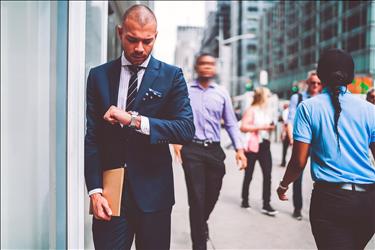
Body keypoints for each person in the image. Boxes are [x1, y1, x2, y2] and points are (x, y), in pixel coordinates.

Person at [84, 5, 195, 249]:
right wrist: (94, 190)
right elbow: (92, 137)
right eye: (132, 39)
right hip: (110, 195)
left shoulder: (172, 76)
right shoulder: (98, 76)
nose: (139, 48)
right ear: (119, 32)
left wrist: (133, 120)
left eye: (147, 41)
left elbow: (186, 129)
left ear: (156, 36)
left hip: (154, 195)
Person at [277, 48, 375, 249]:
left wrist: (283, 185)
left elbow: (298, 162)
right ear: (351, 77)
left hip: (330, 202)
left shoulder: (308, 108)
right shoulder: (370, 110)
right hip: (368, 202)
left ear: (321, 76)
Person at [173, 53, 247, 250]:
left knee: (212, 194)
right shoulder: (185, 90)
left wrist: (239, 149)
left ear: (214, 68)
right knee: (196, 199)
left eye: (210, 64)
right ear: (196, 67)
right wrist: (176, 141)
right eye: (203, 63)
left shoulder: (222, 93)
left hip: (214, 150)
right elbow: (175, 117)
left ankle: (200, 222)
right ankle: (199, 244)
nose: (206, 67)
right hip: (192, 149)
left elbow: (231, 123)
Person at [286, 71, 322, 220]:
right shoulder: (298, 97)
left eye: (319, 83)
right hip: (303, 141)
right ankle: (297, 208)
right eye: (313, 82)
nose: (315, 85)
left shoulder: (324, 99)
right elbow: (290, 119)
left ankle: (320, 211)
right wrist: (291, 137)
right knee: (297, 172)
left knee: (321, 177)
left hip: (319, 142)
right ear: (307, 83)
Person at [240, 87, 278, 216]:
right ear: (262, 96)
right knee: (249, 174)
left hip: (265, 145)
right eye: (267, 95)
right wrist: (262, 127)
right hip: (253, 146)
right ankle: (245, 199)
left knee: (267, 175)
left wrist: (270, 127)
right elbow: (243, 127)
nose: (269, 98)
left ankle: (266, 204)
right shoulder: (251, 110)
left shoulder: (266, 111)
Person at [280, 102, 290, 167]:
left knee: (285, 148)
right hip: (292, 132)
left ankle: (283, 162)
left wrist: (283, 133)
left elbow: (285, 123)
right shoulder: (293, 111)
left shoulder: (285, 111)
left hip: (287, 132)